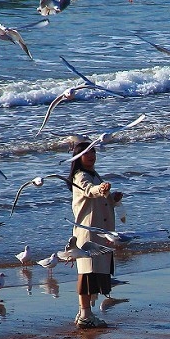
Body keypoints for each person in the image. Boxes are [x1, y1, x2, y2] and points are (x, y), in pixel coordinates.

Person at [69, 139, 122, 328]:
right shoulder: (80, 176)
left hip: (99, 232)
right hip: (88, 234)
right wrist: (100, 189)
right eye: (86, 153)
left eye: (93, 153)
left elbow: (100, 198)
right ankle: (85, 315)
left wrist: (112, 198)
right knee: (87, 274)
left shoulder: (94, 174)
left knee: (94, 273)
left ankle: (85, 313)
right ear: (78, 157)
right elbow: (89, 191)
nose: (91, 157)